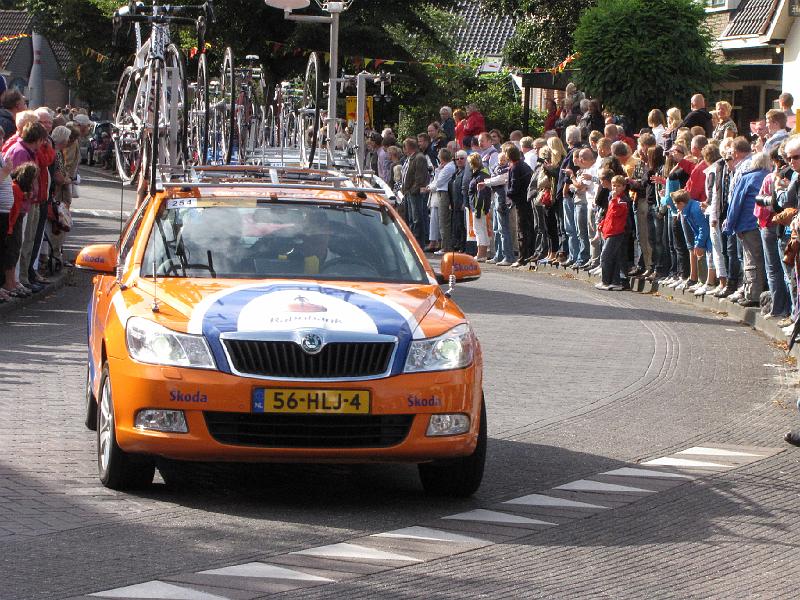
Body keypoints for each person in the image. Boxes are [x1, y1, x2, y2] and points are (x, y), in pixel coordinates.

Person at [723, 147, 770, 307]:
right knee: (766, 260)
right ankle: (764, 294)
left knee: (751, 259)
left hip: (748, 224)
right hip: (767, 223)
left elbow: (736, 203)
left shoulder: (747, 177)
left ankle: (753, 295)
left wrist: (729, 225)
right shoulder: (770, 176)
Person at [2, 162, 38, 298]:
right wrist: (10, 229)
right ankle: (9, 283)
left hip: (15, 222)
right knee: (11, 253)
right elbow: (13, 211)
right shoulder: (16, 189)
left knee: (15, 251)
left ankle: (12, 282)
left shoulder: (19, 190)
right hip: (12, 224)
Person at [596, 175, 630, 290]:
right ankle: (615, 282)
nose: (615, 188)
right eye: (614, 185)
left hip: (617, 232)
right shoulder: (612, 197)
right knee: (614, 258)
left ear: (623, 187)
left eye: (618, 186)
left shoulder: (623, 199)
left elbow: (617, 213)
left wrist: (614, 199)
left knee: (605, 256)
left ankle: (605, 281)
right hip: (609, 230)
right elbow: (609, 213)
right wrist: (602, 224)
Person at [504, 143, 534, 267]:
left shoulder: (515, 168)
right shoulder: (524, 165)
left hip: (521, 202)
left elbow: (514, 187)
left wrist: (508, 194)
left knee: (522, 230)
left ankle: (522, 257)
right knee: (529, 228)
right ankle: (529, 254)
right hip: (527, 200)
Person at [425, 148, 456, 254]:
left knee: (444, 221)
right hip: (441, 193)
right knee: (441, 221)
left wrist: (438, 171)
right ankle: (444, 245)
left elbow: (439, 182)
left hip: (444, 193)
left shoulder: (448, 167)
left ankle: (446, 246)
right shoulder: (446, 167)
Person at [400, 137, 430, 247]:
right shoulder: (410, 158)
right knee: (411, 218)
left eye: (405, 147)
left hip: (414, 193)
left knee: (417, 219)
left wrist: (413, 190)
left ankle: (418, 243)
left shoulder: (419, 158)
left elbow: (420, 177)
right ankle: (413, 242)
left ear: (408, 147)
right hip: (408, 192)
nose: (404, 150)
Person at [467, 152, 491, 262]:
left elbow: (481, 194)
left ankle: (481, 254)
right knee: (482, 230)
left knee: (479, 230)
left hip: (479, 206)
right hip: (480, 206)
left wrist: (478, 209)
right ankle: (483, 253)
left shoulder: (480, 175)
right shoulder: (482, 173)